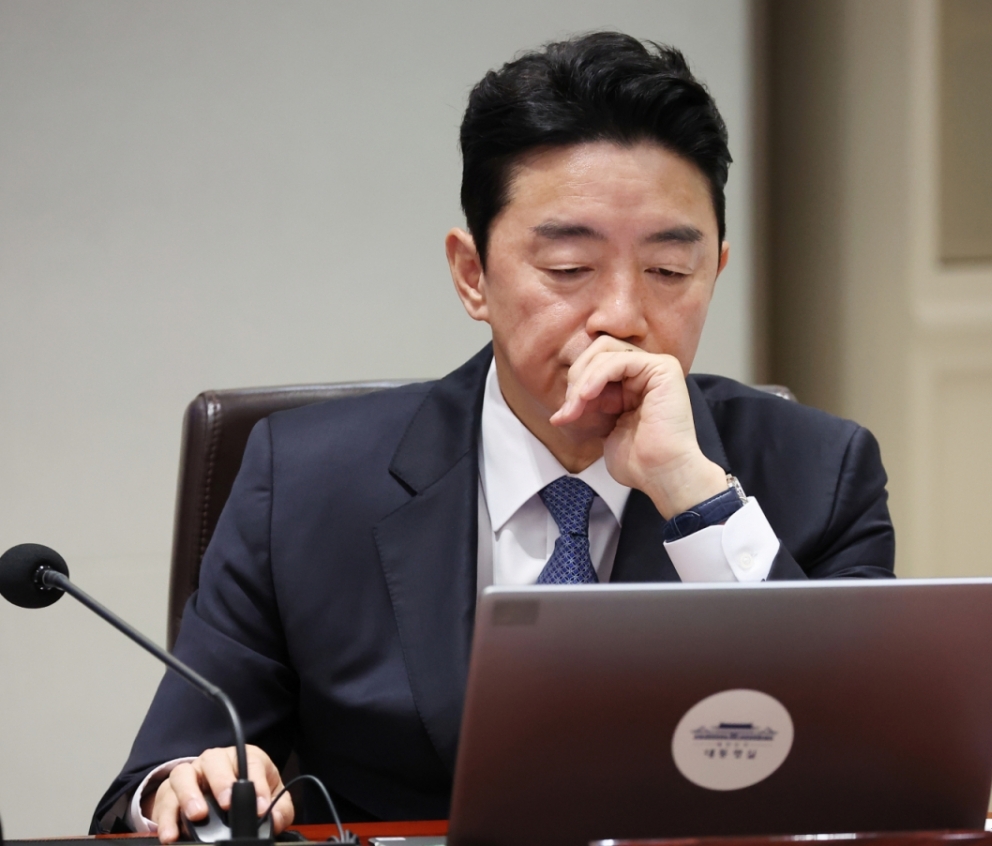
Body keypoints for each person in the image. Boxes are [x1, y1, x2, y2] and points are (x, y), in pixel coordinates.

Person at [92, 31, 895, 842]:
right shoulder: (303, 485)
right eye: (569, 268)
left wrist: (694, 498)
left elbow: (873, 779)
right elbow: (149, 785)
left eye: (668, 272)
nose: (622, 316)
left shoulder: (821, 475)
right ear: (472, 275)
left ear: (715, 272)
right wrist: (186, 786)